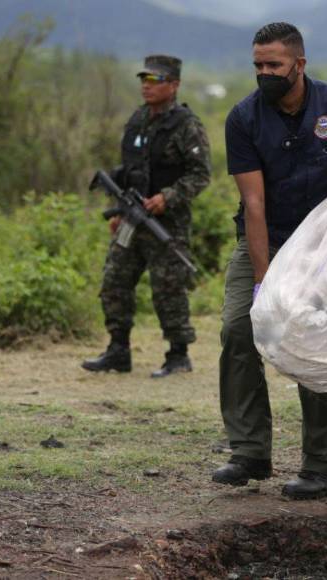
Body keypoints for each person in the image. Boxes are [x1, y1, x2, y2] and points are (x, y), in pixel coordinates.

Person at [213, 22, 327, 499]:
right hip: (265, 239)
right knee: (238, 329)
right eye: (258, 66)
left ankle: (322, 467)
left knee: (319, 340)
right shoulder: (243, 118)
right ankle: (249, 452)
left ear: (299, 65)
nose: (265, 73)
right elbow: (255, 206)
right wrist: (267, 285)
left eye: (274, 65)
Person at [82, 55, 211, 378]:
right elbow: (129, 169)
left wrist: (167, 198)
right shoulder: (138, 120)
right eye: (144, 80)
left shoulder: (187, 126)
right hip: (132, 218)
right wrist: (118, 208)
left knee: (168, 289)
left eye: (155, 80)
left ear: (175, 85)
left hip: (166, 223)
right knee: (114, 281)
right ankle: (118, 351)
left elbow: (200, 175)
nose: (147, 86)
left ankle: (178, 355)